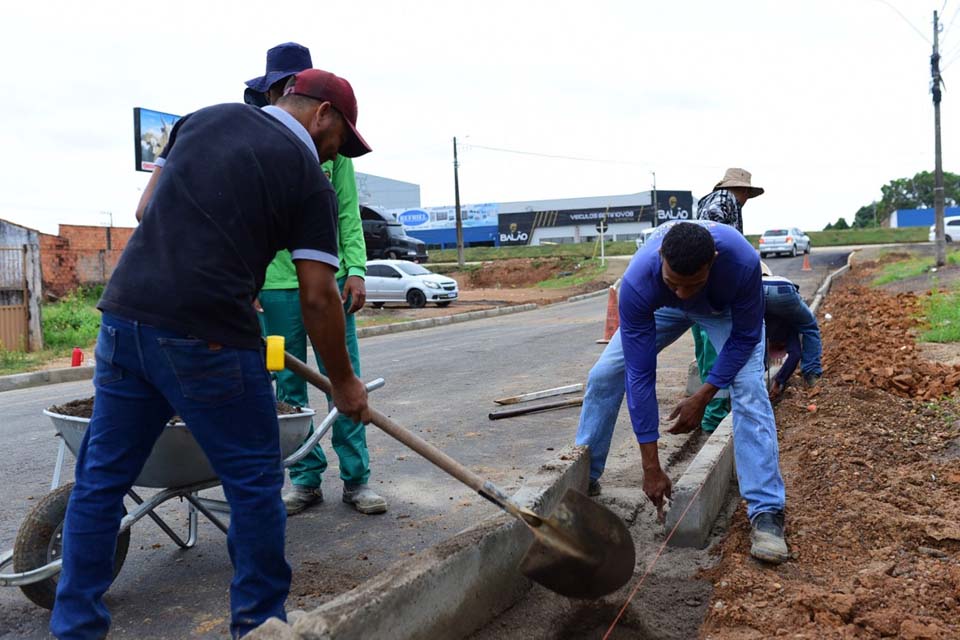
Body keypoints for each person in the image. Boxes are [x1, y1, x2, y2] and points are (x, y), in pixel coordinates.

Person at [52, 68, 373, 639]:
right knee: (253, 484)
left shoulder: (204, 120)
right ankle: (259, 626)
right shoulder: (307, 179)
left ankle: (74, 628)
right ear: (322, 114)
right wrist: (345, 384)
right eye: (338, 142)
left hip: (126, 318)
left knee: (100, 482)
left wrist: (231, 275)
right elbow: (320, 297)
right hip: (209, 339)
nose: (333, 156)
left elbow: (148, 212)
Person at [578, 221, 789, 564]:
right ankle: (585, 478)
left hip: (724, 312)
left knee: (750, 388)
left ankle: (767, 513)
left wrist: (703, 395)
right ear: (661, 256)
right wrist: (651, 466)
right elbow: (640, 375)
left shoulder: (741, 263)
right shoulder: (639, 281)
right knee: (604, 375)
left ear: (713, 261)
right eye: (674, 283)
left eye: (694, 284)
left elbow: (746, 338)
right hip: (661, 311)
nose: (684, 294)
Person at [245, 43, 387, 516]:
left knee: (341, 379)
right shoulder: (256, 139)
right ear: (269, 91)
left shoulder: (333, 147)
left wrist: (358, 270)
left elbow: (348, 212)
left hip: (329, 283)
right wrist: (251, 284)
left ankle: (357, 478)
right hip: (274, 290)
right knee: (286, 387)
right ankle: (304, 478)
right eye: (279, 85)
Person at [691, 168, 765, 431]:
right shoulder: (726, 202)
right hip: (713, 287)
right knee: (715, 349)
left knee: (703, 346)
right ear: (743, 191)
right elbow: (715, 238)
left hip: (696, 285)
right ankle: (715, 417)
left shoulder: (707, 200)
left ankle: (707, 408)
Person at [763, 273, 823, 397]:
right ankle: (811, 375)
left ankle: (754, 381)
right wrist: (779, 381)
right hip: (782, 290)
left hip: (758, 289)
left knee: (750, 337)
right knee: (809, 328)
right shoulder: (790, 327)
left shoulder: (763, 331)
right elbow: (795, 354)